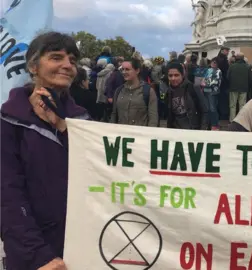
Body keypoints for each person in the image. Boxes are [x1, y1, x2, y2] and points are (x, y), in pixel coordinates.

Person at [1, 31, 90, 270]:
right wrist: (37, 256)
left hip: (81, 247)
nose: (67, 65)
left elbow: (97, 170)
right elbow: (7, 195)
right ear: (33, 66)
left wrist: (63, 128)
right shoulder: (9, 120)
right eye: (56, 57)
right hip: (35, 255)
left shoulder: (81, 118)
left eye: (72, 60)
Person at [110, 59, 158, 127]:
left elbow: (153, 118)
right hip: (121, 134)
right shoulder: (118, 91)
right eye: (122, 69)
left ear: (137, 71)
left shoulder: (148, 91)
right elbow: (114, 115)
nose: (124, 72)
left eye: (127, 69)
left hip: (140, 135)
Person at [166, 62, 208, 130]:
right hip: (175, 131)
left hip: (192, 130)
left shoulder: (193, 88)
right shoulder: (169, 92)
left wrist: (202, 130)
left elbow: (204, 111)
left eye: (176, 75)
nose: (173, 78)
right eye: (170, 75)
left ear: (182, 75)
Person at [203, 57, 222, 130]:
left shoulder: (218, 71)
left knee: (212, 108)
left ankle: (215, 125)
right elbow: (204, 79)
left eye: (214, 62)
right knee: (208, 109)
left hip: (213, 92)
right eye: (212, 62)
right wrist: (205, 83)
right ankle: (209, 124)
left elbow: (216, 82)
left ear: (217, 64)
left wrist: (206, 83)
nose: (213, 64)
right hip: (206, 91)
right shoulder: (208, 70)